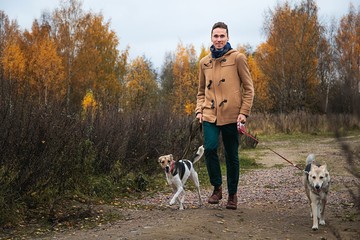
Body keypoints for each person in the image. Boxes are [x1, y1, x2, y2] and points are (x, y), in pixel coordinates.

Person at [195, 22, 254, 210]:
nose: (219, 39)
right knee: (210, 149)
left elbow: (249, 89)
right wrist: (199, 111)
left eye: (222, 36)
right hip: (210, 115)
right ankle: (217, 188)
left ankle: (233, 195)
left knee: (231, 156)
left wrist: (243, 113)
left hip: (232, 115)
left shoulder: (238, 58)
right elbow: (200, 92)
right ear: (211, 38)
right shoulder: (204, 62)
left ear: (228, 37)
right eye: (215, 36)